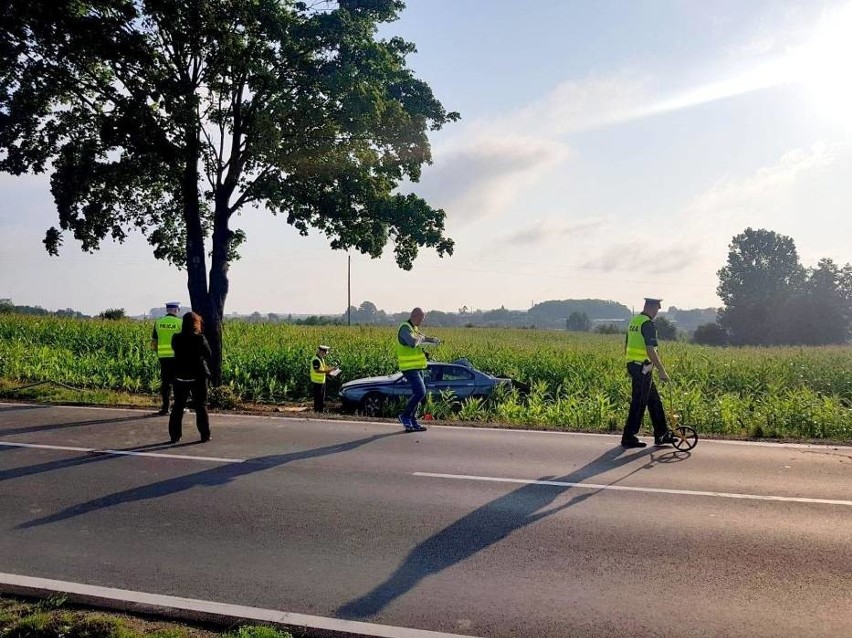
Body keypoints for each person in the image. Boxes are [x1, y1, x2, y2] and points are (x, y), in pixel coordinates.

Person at [621, 298, 675, 448]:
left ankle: (662, 434)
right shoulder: (647, 324)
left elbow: (626, 345)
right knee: (639, 402)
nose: (657, 313)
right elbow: (650, 349)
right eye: (657, 310)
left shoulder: (634, 321)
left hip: (636, 366)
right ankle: (629, 436)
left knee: (654, 401)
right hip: (642, 368)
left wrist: (631, 365)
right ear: (652, 308)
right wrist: (662, 370)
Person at [168, 311, 212, 444]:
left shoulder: (176, 338)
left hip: (180, 376)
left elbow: (175, 351)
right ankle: (204, 435)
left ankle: (175, 436)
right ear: (196, 324)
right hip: (198, 376)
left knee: (178, 406)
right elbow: (208, 354)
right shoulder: (200, 338)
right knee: (200, 405)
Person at [396, 307, 440, 432]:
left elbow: (422, 338)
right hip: (409, 367)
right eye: (422, 319)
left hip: (417, 367)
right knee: (420, 392)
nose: (422, 321)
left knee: (419, 394)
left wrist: (433, 340)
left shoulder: (414, 329)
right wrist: (421, 339)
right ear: (416, 316)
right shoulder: (405, 328)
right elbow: (412, 342)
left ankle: (413, 421)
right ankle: (405, 416)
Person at [151, 301, 182, 415]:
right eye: (178, 309)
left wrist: (157, 352)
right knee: (178, 382)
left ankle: (165, 407)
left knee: (166, 383)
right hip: (177, 357)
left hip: (163, 357)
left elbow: (154, 341)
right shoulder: (180, 322)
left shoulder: (158, 322)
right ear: (175, 310)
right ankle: (178, 407)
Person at [310, 345, 339, 412]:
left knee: (322, 397)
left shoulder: (321, 359)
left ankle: (320, 410)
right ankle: (317, 410)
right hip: (317, 381)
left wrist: (331, 369)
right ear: (321, 352)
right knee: (318, 397)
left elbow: (323, 367)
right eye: (325, 352)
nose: (326, 354)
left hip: (321, 381)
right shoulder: (316, 360)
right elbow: (317, 370)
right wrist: (328, 371)